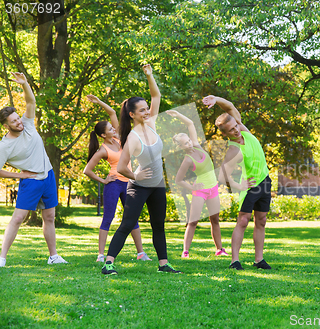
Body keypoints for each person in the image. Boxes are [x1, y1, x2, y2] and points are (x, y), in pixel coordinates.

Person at [101, 64, 180, 275]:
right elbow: (120, 167)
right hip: (139, 187)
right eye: (142, 110)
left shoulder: (151, 124)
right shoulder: (132, 138)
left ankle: (163, 264)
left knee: (158, 225)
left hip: (157, 186)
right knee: (127, 224)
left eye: (147, 109)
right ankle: (108, 263)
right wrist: (135, 175)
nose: (147, 112)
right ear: (132, 114)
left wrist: (149, 75)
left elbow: (156, 95)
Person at [0, 72, 67, 267]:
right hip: (30, 181)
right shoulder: (4, 146)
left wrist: (24, 84)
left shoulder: (27, 124)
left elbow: (31, 102)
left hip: (48, 176)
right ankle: (2, 257)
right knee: (19, 218)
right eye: (13, 122)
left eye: (17, 118)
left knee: (50, 216)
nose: (18, 122)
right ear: (6, 125)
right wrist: (19, 175)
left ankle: (53, 256)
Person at [203, 95, 272, 270]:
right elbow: (223, 176)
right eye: (231, 130)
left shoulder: (244, 130)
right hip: (250, 186)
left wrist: (215, 99)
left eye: (236, 126)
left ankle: (259, 260)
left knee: (261, 220)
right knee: (243, 221)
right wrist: (239, 186)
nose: (236, 130)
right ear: (225, 134)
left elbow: (230, 106)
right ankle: (235, 260)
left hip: (265, 181)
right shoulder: (233, 149)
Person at [84, 94, 151, 263]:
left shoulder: (120, 139)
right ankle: (101, 254)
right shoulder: (103, 150)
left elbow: (113, 112)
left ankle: (141, 253)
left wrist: (99, 102)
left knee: (132, 217)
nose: (114, 129)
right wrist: (104, 180)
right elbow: (87, 170)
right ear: (102, 135)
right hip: (114, 185)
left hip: (128, 183)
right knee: (108, 218)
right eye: (110, 129)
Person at [167, 109, 228, 258]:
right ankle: (185, 251)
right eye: (185, 144)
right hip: (200, 191)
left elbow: (191, 123)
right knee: (193, 221)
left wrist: (178, 114)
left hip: (213, 188)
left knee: (215, 220)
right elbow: (178, 180)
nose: (188, 144)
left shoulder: (197, 145)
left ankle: (219, 249)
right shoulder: (187, 160)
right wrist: (192, 187)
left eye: (188, 141)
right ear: (180, 147)